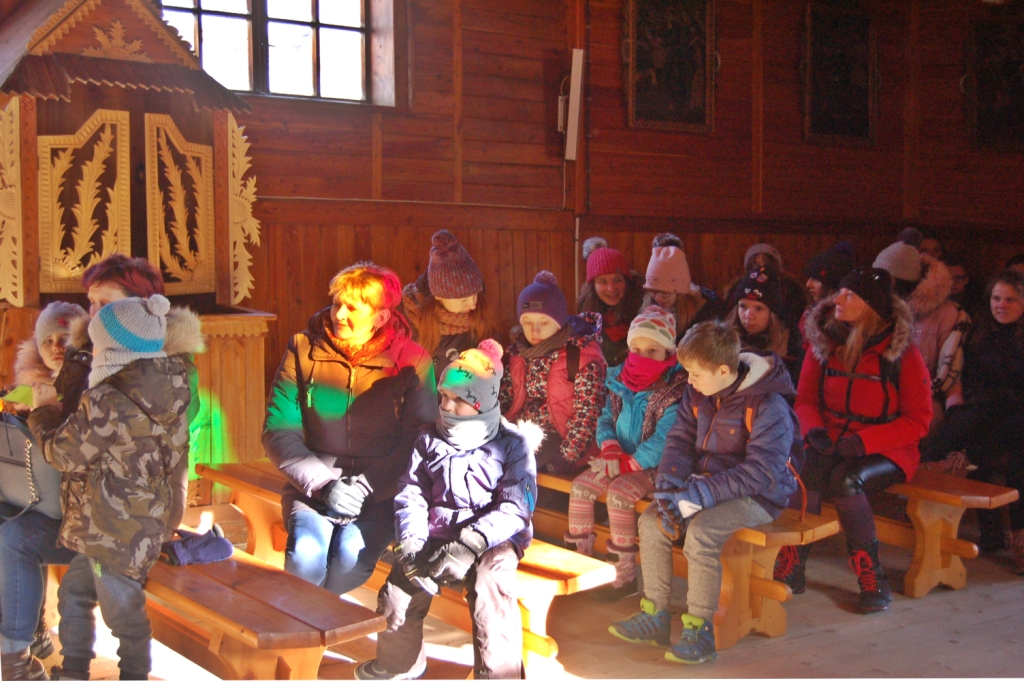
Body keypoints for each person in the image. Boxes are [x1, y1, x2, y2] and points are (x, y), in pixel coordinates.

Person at [6, 256, 203, 681]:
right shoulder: (153, 373)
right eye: (91, 303)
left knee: (120, 612)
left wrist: (43, 413)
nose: (91, 314)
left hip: (111, 522)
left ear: (137, 308)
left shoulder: (114, 386)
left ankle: (122, 673)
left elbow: (70, 448)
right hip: (100, 515)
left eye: (104, 305)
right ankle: (63, 665)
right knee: (73, 593)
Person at [608, 321, 799, 664]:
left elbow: (761, 472)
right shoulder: (698, 393)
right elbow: (679, 441)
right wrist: (668, 491)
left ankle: (700, 631)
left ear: (723, 370)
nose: (689, 380)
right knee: (652, 521)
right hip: (703, 486)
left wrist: (695, 497)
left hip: (760, 495)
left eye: (695, 374)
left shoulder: (769, 405)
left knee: (702, 532)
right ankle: (655, 616)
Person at [355, 340, 539, 680]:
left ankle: (499, 675)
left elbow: (517, 506)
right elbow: (412, 491)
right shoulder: (428, 438)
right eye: (443, 396)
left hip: (493, 538)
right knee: (399, 587)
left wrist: (471, 543)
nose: (447, 405)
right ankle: (399, 664)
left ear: (482, 402)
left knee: (490, 587)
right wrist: (411, 541)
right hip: (437, 530)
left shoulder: (512, 444)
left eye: (460, 399)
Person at [263, 262, 438, 597]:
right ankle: (307, 624)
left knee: (349, 559)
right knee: (306, 557)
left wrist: (365, 488)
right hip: (313, 485)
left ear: (381, 317)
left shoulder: (413, 360)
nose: (339, 315)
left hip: (380, 492)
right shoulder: (303, 349)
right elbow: (278, 429)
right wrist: (324, 485)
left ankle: (313, 620)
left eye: (352, 308)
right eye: (336, 304)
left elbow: (417, 443)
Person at [781, 268, 931, 613]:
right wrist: (813, 430)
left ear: (872, 307)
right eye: (840, 291)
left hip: (889, 448)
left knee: (845, 481)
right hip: (833, 440)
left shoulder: (902, 355)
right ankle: (792, 561)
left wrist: (865, 442)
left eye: (850, 295)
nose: (838, 298)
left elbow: (918, 420)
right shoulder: (824, 343)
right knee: (803, 471)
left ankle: (872, 576)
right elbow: (805, 400)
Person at [564, 306, 686, 602]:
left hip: (654, 467)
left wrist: (631, 462)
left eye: (652, 350)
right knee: (580, 488)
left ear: (668, 352)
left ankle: (623, 575)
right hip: (617, 457)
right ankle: (578, 567)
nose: (642, 356)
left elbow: (665, 439)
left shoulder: (674, 390)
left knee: (619, 494)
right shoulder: (619, 380)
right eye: (636, 349)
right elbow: (605, 417)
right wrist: (610, 448)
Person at [0, 303, 87, 680]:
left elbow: (71, 454)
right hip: (42, 504)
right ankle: (28, 637)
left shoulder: (92, 387)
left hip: (87, 521)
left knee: (13, 539)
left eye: (64, 339)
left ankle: (15, 659)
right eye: (47, 340)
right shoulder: (29, 386)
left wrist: (44, 412)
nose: (56, 347)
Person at [924, 270, 1024, 571]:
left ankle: (1019, 540)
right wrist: (960, 409)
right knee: (944, 439)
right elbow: (967, 378)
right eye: (996, 298)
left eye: (1010, 300)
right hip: (989, 406)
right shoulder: (981, 332)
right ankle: (932, 524)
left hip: (1020, 414)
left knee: (1017, 463)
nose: (1001, 305)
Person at [500, 271, 607, 474]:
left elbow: (587, 416)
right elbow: (505, 397)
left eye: (544, 322)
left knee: (515, 470)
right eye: (528, 322)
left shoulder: (581, 357)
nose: (535, 330)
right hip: (520, 433)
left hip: (560, 442)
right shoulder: (519, 355)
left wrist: (564, 459)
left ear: (558, 323)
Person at [874, 229, 970, 428]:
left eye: (884, 279)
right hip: (875, 391)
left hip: (925, 397)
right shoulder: (873, 308)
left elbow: (950, 373)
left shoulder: (947, 314)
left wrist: (954, 414)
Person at [402, 230, 498, 380]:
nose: (473, 305)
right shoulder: (411, 316)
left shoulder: (481, 314)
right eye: (463, 299)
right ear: (439, 296)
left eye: (475, 295)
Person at [725, 264, 802, 387]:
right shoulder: (722, 342)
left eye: (759, 308)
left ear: (773, 314)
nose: (748, 316)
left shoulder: (793, 347)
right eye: (743, 306)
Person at [642, 233, 725, 340]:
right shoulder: (646, 305)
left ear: (679, 290)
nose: (657, 298)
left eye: (664, 292)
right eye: (653, 291)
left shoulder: (705, 312)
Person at [577, 237, 645, 366]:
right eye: (602, 281)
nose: (611, 288)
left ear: (626, 282)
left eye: (617, 280)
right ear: (593, 286)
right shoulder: (586, 316)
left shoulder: (643, 312)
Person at [724, 243, 808, 330]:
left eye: (767, 265)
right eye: (755, 265)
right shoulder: (737, 290)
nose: (761, 269)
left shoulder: (792, 292)